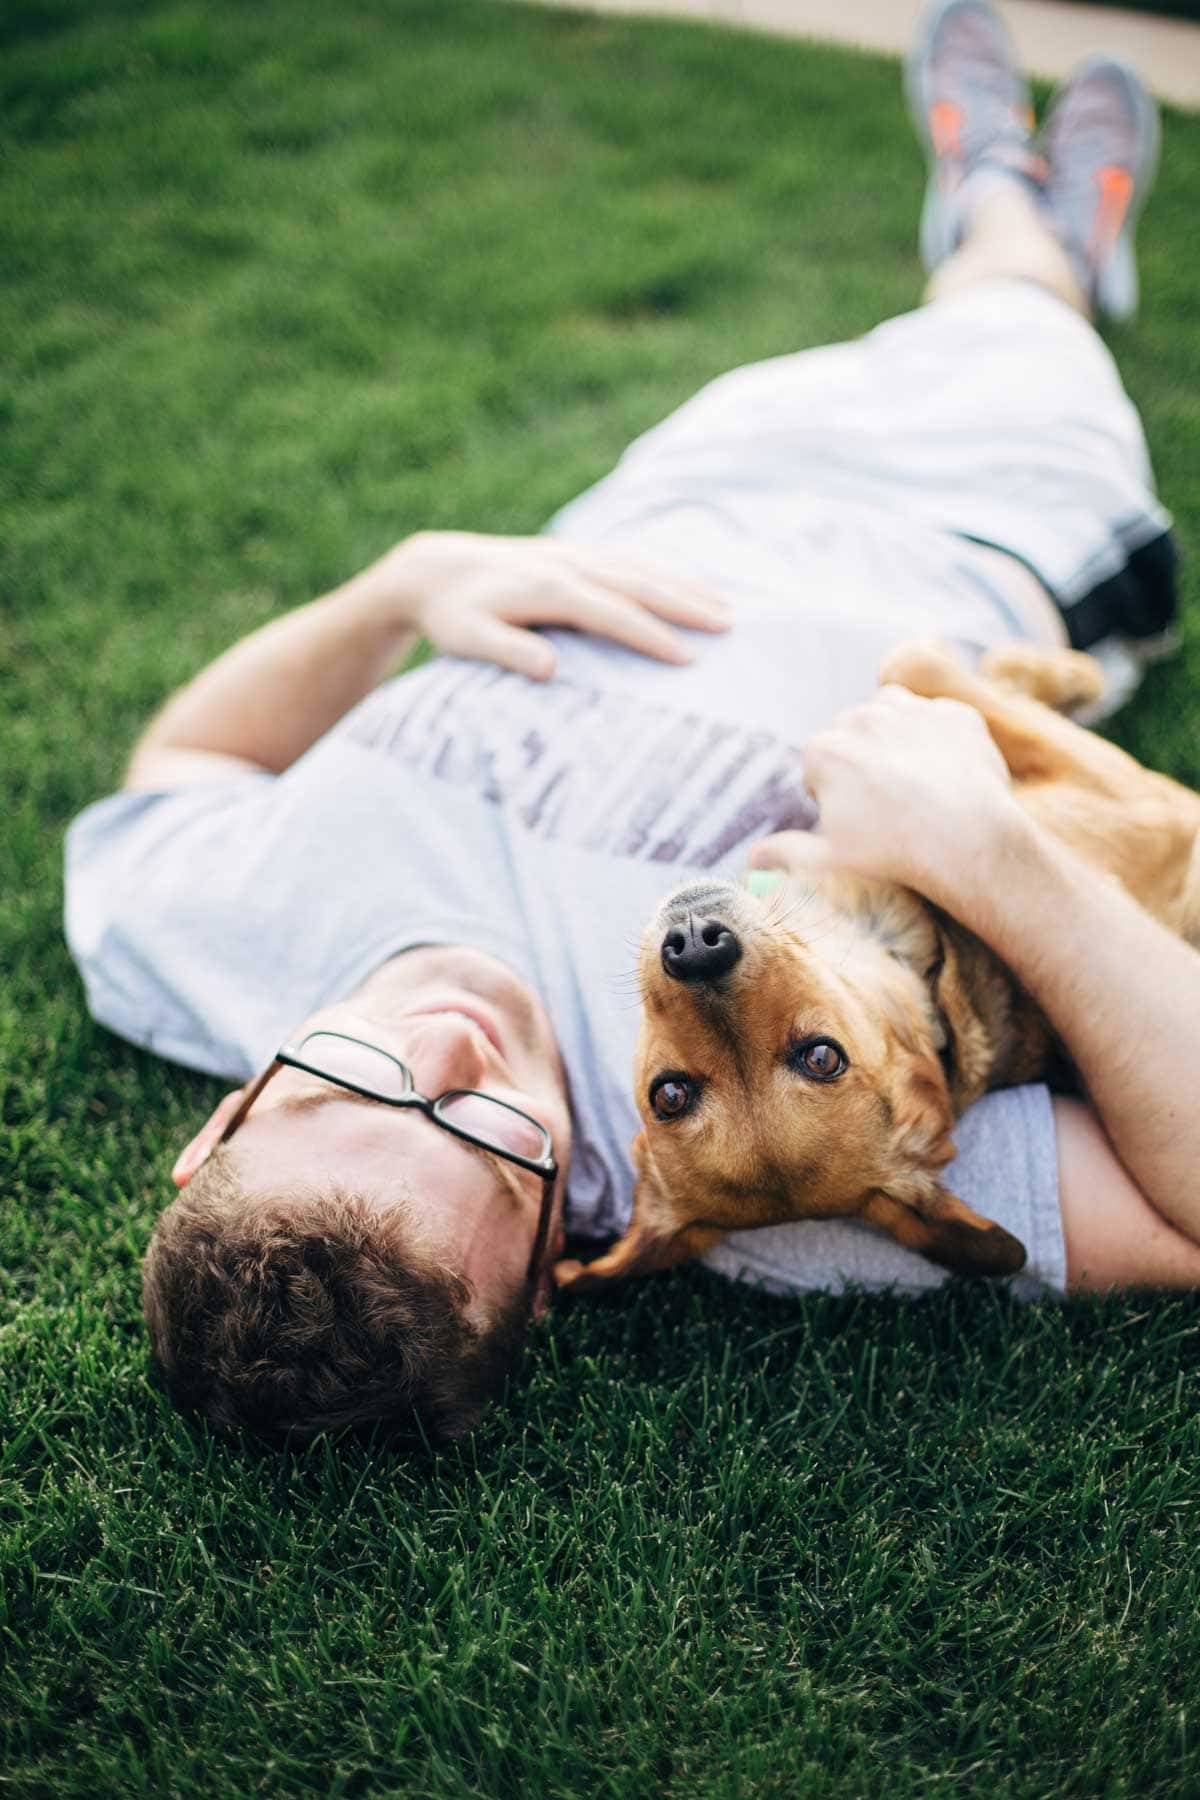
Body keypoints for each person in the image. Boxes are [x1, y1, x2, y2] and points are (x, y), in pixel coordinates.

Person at [65, 0, 1200, 1447]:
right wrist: (994, 861)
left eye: (356, 1078)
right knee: (1007, 308)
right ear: (548, 1268)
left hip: (694, 465)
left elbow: (186, 765)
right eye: (485, 1137)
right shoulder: (749, 1174)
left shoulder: (197, 944)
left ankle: (1000, 215)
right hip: (982, 511)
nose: (454, 1045)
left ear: (222, 1123)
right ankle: (1018, 214)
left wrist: (402, 585)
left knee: (941, 319)